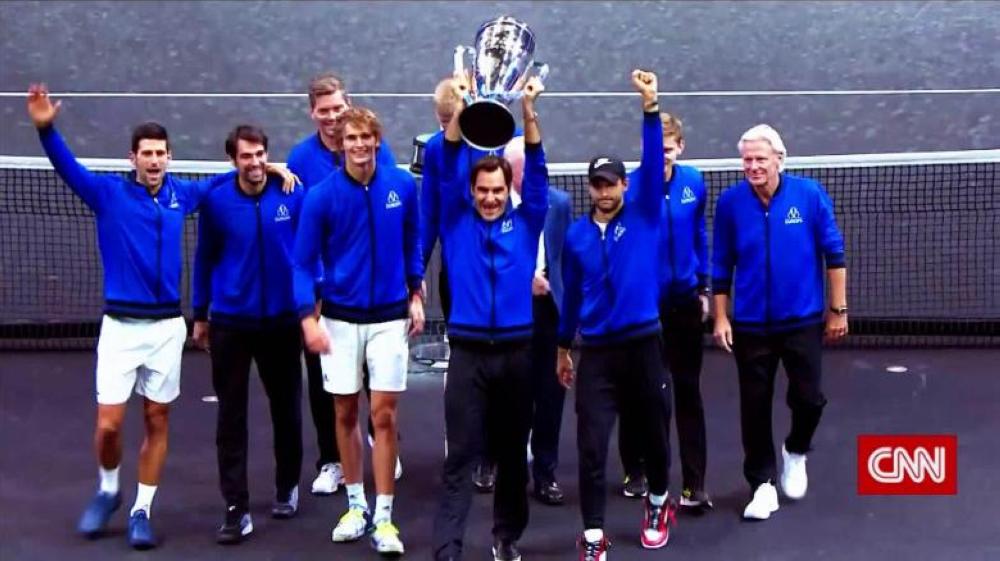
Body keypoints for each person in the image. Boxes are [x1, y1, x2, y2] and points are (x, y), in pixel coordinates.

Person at [25, 84, 294, 550]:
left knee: (156, 419)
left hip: (167, 328)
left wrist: (266, 167)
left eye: (161, 153)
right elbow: (66, 167)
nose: (154, 161)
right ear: (133, 158)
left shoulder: (182, 195)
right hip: (120, 329)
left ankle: (141, 509)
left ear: (169, 157)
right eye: (146, 154)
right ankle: (109, 488)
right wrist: (47, 128)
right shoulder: (106, 194)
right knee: (108, 425)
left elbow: (232, 178)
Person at [293, 106, 424, 554]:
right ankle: (355, 507)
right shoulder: (322, 197)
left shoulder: (402, 186)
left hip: (389, 318)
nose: (360, 146)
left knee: (384, 416)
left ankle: (384, 519)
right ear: (341, 143)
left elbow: (413, 242)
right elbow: (303, 262)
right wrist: (307, 318)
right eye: (352, 139)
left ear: (377, 140)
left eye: (367, 138)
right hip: (340, 320)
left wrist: (416, 293)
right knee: (345, 415)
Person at [557, 70, 677, 559]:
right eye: (597, 185)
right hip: (598, 355)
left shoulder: (646, 213)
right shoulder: (577, 237)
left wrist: (650, 108)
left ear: (625, 185)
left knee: (653, 435)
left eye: (612, 184)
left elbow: (653, 163)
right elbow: (569, 297)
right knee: (590, 446)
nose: (604, 192)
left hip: (644, 345)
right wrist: (564, 347)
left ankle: (658, 501)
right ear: (589, 187)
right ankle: (593, 534)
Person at [431, 74, 548, 561]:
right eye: (482, 190)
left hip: (519, 356)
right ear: (473, 191)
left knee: (511, 459)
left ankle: (506, 539)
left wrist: (528, 113)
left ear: (508, 190)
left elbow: (537, 172)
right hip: (469, 357)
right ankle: (448, 551)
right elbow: (450, 166)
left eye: (498, 190)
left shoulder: (528, 222)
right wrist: (457, 112)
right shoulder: (455, 222)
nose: (490, 197)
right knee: (459, 457)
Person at [712, 124, 848, 520]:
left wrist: (837, 310)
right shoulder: (731, 203)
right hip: (752, 325)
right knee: (754, 407)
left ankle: (796, 449)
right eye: (747, 160)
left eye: (760, 159)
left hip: (802, 321)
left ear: (779, 160)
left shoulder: (808, 195)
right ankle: (762, 485)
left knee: (809, 399)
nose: (753, 166)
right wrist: (721, 317)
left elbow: (834, 253)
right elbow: (722, 264)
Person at [286, 72, 401, 496]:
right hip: (324, 293)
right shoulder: (300, 159)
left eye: (338, 108)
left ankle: (384, 441)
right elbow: (302, 229)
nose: (333, 118)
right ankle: (332, 460)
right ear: (313, 114)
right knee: (326, 384)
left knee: (377, 375)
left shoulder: (376, 148)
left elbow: (387, 209)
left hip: (374, 293)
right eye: (325, 111)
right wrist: (311, 298)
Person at [191, 125, 305, 544]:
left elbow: (309, 252)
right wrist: (200, 313)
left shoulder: (292, 193)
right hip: (231, 324)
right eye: (246, 157)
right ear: (232, 160)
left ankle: (287, 485)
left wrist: (312, 303)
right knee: (231, 417)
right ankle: (235, 507)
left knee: (286, 409)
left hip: (282, 321)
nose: (255, 163)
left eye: (261, 155)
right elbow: (204, 258)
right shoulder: (218, 201)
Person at [419, 77, 524, 494]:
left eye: (455, 117)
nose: (451, 124)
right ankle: (472, 452)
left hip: (510, 278)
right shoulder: (436, 150)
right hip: (462, 277)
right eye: (446, 118)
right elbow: (431, 210)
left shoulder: (503, 139)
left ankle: (502, 452)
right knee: (468, 372)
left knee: (507, 377)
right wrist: (415, 276)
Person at [618, 113, 713, 512]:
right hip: (647, 307)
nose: (664, 154)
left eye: (670, 147)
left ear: (681, 147)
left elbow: (698, 234)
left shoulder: (694, 183)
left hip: (686, 302)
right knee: (643, 391)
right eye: (657, 148)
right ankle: (635, 468)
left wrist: (705, 285)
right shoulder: (635, 189)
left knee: (688, 392)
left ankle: (694, 484)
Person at [502, 137, 572, 507]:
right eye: (527, 168)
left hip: (550, 313)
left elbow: (568, 256)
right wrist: (523, 279)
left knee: (551, 394)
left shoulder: (559, 204)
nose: (535, 175)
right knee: (509, 394)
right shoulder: (495, 205)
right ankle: (499, 464)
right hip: (513, 311)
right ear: (511, 171)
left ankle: (545, 472)